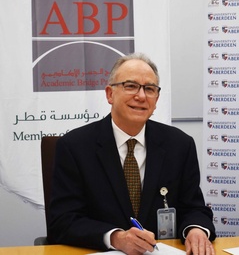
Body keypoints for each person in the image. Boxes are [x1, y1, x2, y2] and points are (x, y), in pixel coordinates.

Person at [48, 53, 216, 255]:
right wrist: (116, 238)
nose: (141, 96)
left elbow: (194, 208)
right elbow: (62, 220)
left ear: (156, 98)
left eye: (149, 89)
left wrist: (196, 230)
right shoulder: (75, 146)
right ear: (110, 94)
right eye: (130, 86)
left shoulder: (180, 145)